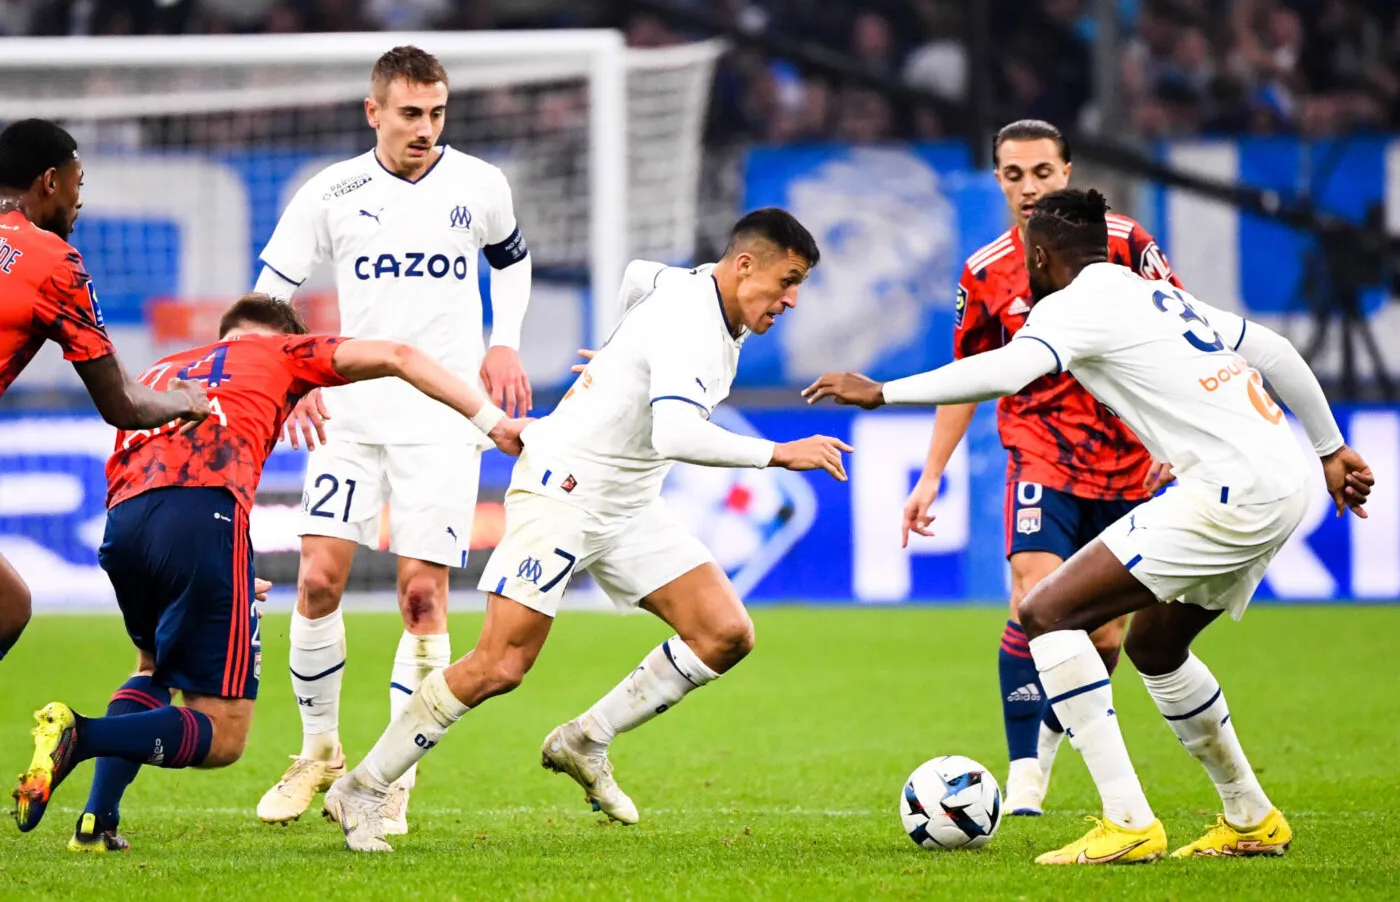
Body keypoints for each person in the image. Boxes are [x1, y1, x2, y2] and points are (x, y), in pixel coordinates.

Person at [805, 188, 1373, 864]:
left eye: (1027, 257)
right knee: (1157, 649)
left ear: (1040, 255)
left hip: (1229, 490)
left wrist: (883, 391)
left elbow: (1010, 369)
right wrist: (1331, 447)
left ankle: (1127, 820)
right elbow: (1273, 348)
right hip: (1280, 478)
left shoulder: (1076, 306)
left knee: (1046, 612)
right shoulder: (1149, 291)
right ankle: (1250, 815)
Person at [321, 209, 851, 853]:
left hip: (629, 504)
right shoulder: (690, 324)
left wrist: (618, 355)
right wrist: (778, 453)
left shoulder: (690, 290)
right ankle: (363, 788)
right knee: (501, 664)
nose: (792, 300)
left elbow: (635, 277)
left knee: (725, 633)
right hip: (565, 489)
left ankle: (584, 739)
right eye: (787, 281)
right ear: (744, 265)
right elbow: (676, 433)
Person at [10, 293, 528, 851]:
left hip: (124, 523)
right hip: (202, 517)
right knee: (222, 735)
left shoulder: (165, 366)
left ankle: (97, 821)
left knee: (152, 666)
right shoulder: (283, 353)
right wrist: (493, 423)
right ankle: (81, 735)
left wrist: (226, 570)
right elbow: (399, 354)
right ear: (283, 337)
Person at [252, 45, 534, 833]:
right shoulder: (331, 191)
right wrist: (292, 374)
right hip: (352, 414)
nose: (426, 128)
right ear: (372, 111)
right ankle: (318, 753)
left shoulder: (479, 185)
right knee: (315, 581)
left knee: (421, 596)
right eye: (411, 113)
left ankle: (392, 772)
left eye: (438, 113)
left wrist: (503, 339)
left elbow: (513, 259)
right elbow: (269, 292)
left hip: (445, 419)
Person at [905, 120, 1182, 814]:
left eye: (1041, 172)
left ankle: (1053, 749)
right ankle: (1023, 766)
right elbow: (967, 374)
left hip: (1128, 459)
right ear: (996, 178)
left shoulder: (1127, 244)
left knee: (1104, 631)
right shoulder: (985, 269)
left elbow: (1184, 334)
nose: (1028, 187)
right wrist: (931, 473)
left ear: (1068, 172)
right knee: (1034, 595)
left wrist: (1173, 442)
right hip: (1042, 449)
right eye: (1013, 174)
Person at [0, 118, 209, 663]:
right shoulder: (51, 261)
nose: (79, 201)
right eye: (78, 183)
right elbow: (122, 403)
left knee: (7, 603)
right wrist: (186, 400)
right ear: (50, 180)